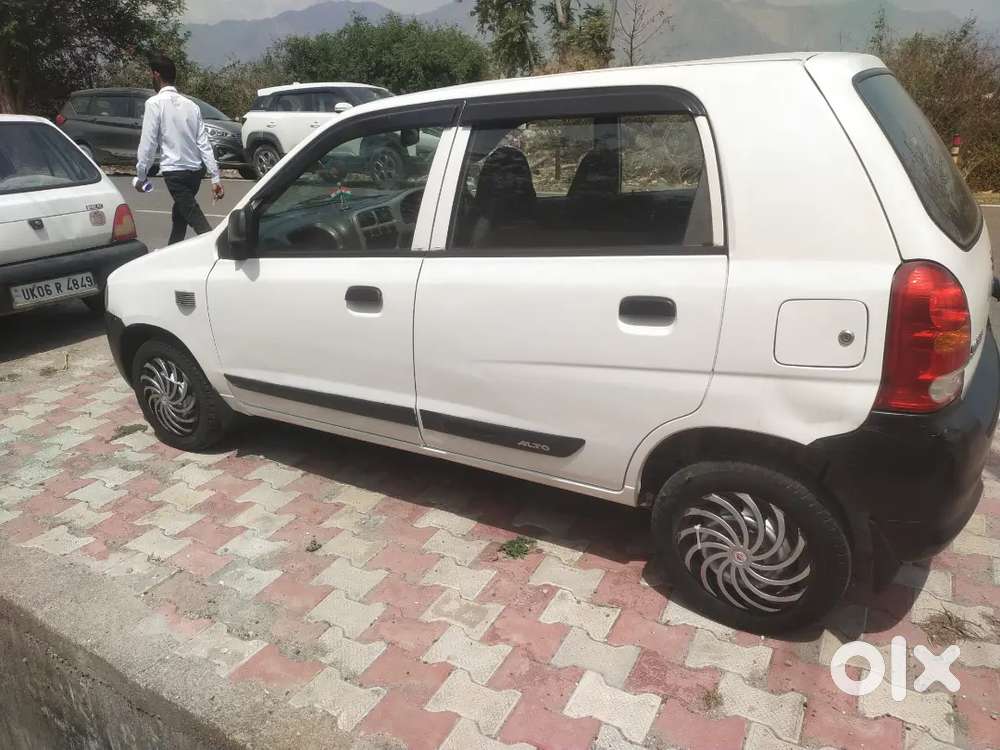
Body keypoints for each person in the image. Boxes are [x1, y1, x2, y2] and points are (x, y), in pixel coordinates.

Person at [135, 54, 224, 244]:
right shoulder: (191, 106)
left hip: (175, 173)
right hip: (194, 174)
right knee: (180, 217)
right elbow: (203, 143)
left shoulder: (154, 103)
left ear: (156, 75)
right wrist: (215, 177)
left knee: (198, 223)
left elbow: (148, 144)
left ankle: (218, 249)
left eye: (151, 75)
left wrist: (141, 176)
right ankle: (171, 253)